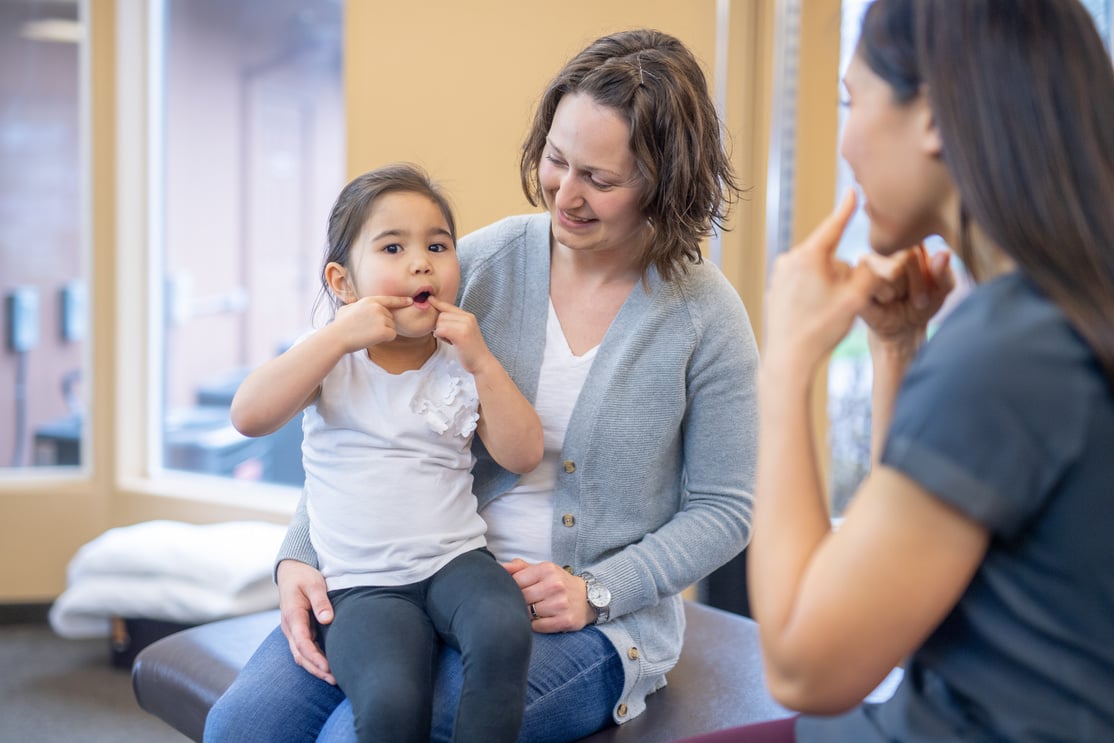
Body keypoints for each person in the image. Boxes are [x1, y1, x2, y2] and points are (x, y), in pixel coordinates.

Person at [204, 28, 760, 743]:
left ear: (664, 179)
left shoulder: (704, 316)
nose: (567, 192)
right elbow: (369, 416)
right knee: (242, 727)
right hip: (401, 573)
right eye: (558, 159)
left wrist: (597, 590)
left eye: (602, 177)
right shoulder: (477, 264)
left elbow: (723, 507)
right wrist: (299, 553)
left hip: (584, 623)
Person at [677, 1, 1114, 741]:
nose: (845, 143)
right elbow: (905, 579)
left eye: (854, 102)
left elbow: (804, 666)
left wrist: (786, 361)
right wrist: (898, 349)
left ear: (937, 116)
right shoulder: (1058, 314)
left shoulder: (1007, 348)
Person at [227, 163, 541, 743]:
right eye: (393, 247)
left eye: (437, 245)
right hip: (361, 586)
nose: (421, 261)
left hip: (458, 562)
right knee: (391, 700)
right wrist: (337, 335)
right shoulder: (329, 359)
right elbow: (249, 414)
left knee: (504, 631)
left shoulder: (462, 358)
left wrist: (483, 361)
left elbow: (522, 453)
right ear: (343, 282)